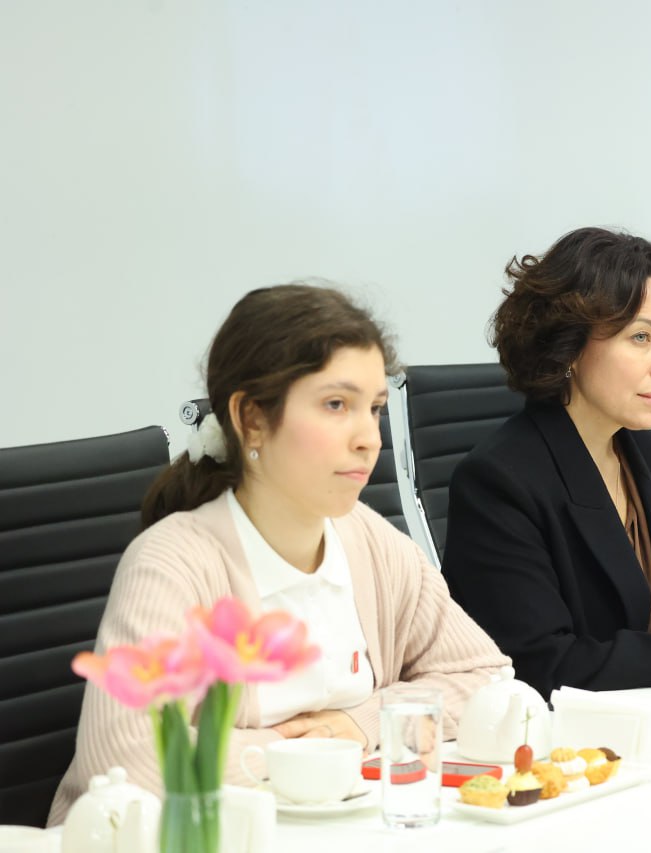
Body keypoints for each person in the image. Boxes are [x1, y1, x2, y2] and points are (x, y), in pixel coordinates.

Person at [50, 284, 509, 824]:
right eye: (336, 405)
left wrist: (358, 723)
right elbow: (129, 760)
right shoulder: (174, 562)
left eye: (374, 409)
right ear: (250, 419)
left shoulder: (370, 540)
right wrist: (299, 753)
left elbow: (486, 678)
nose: (369, 438)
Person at [443, 227, 651, 699]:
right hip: (564, 739)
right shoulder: (499, 482)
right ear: (570, 344)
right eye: (641, 337)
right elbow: (542, 667)